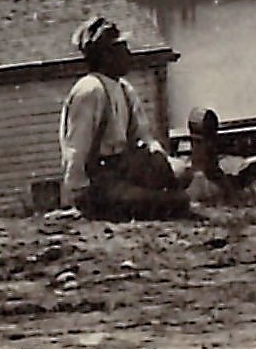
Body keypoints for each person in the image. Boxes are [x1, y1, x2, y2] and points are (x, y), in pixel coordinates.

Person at [56, 15, 186, 219]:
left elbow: (143, 135)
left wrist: (157, 154)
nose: (129, 55)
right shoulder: (90, 91)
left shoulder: (124, 88)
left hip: (126, 169)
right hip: (100, 180)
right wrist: (80, 195)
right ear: (107, 55)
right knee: (174, 202)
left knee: (183, 172)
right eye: (122, 49)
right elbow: (76, 150)